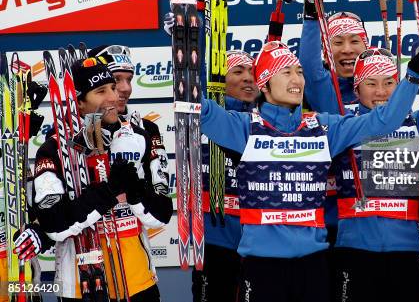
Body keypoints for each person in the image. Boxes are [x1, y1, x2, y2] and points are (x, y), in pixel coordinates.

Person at [199, 36, 419, 302]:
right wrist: (185, 49)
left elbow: (383, 121)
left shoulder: (322, 128)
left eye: (299, 72)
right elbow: (198, 108)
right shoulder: (245, 128)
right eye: (286, 72)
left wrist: (414, 73)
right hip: (262, 265)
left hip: (313, 265)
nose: (297, 80)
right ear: (264, 83)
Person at [32, 57, 172, 301]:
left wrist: (136, 192)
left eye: (113, 88)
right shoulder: (54, 149)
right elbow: (52, 223)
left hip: (138, 283)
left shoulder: (139, 137)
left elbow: (161, 213)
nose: (112, 97)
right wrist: (107, 192)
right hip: (81, 286)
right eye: (100, 91)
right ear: (79, 103)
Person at [331, 47, 419, 302]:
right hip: (355, 251)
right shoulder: (345, 124)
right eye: (371, 83)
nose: (381, 92)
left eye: (389, 83)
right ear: (356, 90)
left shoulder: (414, 122)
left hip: (405, 250)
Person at [192, 50, 257, 302]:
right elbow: (191, 86)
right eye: (238, 72)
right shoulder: (203, 116)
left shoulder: (267, 119)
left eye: (252, 72)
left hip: (256, 237)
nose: (248, 78)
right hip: (215, 236)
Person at [88, 44, 170, 196]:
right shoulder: (69, 131)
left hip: (137, 217)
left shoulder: (147, 129)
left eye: (129, 79)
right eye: (116, 79)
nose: (126, 88)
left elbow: (161, 198)